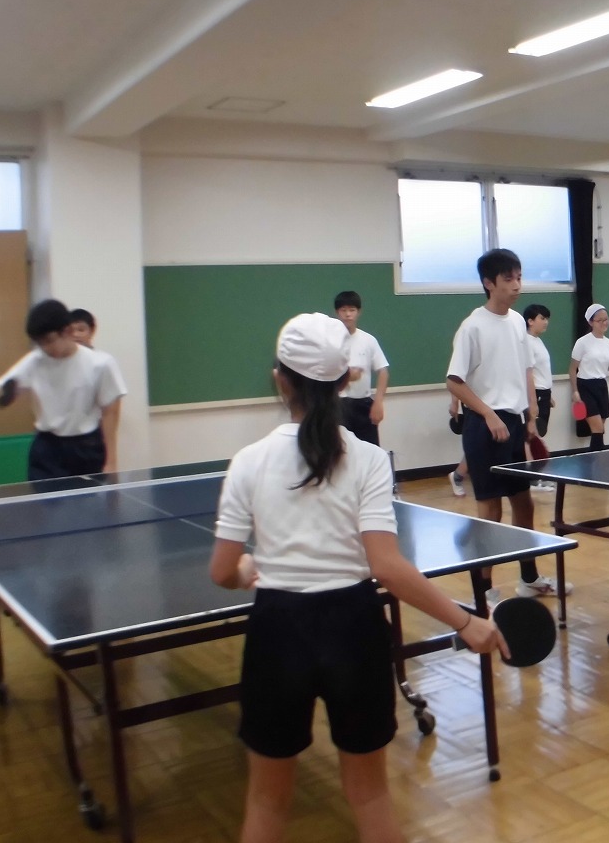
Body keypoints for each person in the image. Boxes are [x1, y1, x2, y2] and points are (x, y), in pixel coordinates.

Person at [209, 312, 505, 843]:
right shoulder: (369, 459)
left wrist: (245, 569)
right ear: (346, 382)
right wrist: (465, 622)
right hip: (354, 628)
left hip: (277, 631)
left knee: (266, 801)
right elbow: (386, 566)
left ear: (280, 380)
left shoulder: (248, 461)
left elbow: (221, 571)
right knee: (370, 796)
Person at [447, 249, 570, 603]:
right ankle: (482, 591)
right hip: (484, 427)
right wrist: (488, 414)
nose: (517, 285)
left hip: (514, 424)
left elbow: (525, 370)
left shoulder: (517, 322)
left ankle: (529, 578)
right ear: (489, 283)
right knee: (490, 510)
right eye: (508, 279)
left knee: (524, 504)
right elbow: (454, 381)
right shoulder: (472, 327)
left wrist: (530, 415)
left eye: (519, 277)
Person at [0, 299, 127, 480]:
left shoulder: (100, 364)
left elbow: (110, 412)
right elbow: (0, 386)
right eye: (40, 343)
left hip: (87, 447)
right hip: (47, 448)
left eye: (49, 341)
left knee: (88, 499)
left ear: (68, 331)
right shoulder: (35, 361)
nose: (45, 348)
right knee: (44, 498)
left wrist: (111, 461)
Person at [334, 291, 389, 447]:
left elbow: (383, 371)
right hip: (337, 404)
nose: (348, 315)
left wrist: (378, 402)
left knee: (369, 450)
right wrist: (347, 376)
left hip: (363, 404)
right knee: (341, 451)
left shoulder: (368, 340)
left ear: (359, 312)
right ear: (337, 312)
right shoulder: (330, 340)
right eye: (343, 310)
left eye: (352, 310)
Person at [570, 303, 609, 452]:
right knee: (598, 429)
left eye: (606, 319)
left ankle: (593, 459)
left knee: (599, 431)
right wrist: (575, 391)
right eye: (600, 320)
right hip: (585, 387)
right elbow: (572, 369)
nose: (604, 323)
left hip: (601, 387)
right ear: (591, 322)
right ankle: (597, 460)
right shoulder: (582, 342)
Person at [523, 303, 556, 490]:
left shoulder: (537, 341)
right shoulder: (527, 342)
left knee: (533, 435)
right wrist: (533, 400)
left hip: (543, 393)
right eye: (542, 318)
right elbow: (527, 374)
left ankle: (534, 478)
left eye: (546, 318)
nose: (546, 322)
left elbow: (540, 371)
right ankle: (532, 480)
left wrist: (548, 395)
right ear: (530, 321)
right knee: (530, 436)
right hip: (535, 395)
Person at [447, 395, 469, 497]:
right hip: (472, 405)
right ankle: (457, 476)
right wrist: (454, 402)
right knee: (480, 445)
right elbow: (456, 385)